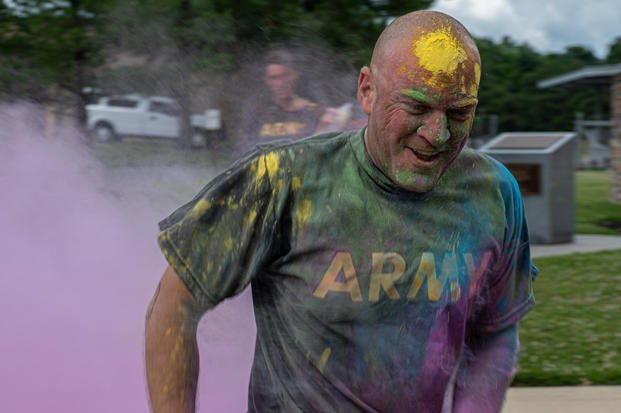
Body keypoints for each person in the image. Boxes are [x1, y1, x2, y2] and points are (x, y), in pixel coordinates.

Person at [146, 10, 536, 413]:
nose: (437, 135)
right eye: (417, 108)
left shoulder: (494, 194)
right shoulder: (281, 180)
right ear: (367, 91)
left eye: (458, 113)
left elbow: (496, 331)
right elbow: (172, 306)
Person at [239, 49, 326, 149]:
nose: (280, 83)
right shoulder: (258, 113)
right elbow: (245, 149)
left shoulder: (313, 111)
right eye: (274, 78)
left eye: (284, 76)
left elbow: (324, 147)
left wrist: (334, 124)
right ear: (266, 80)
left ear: (294, 76)